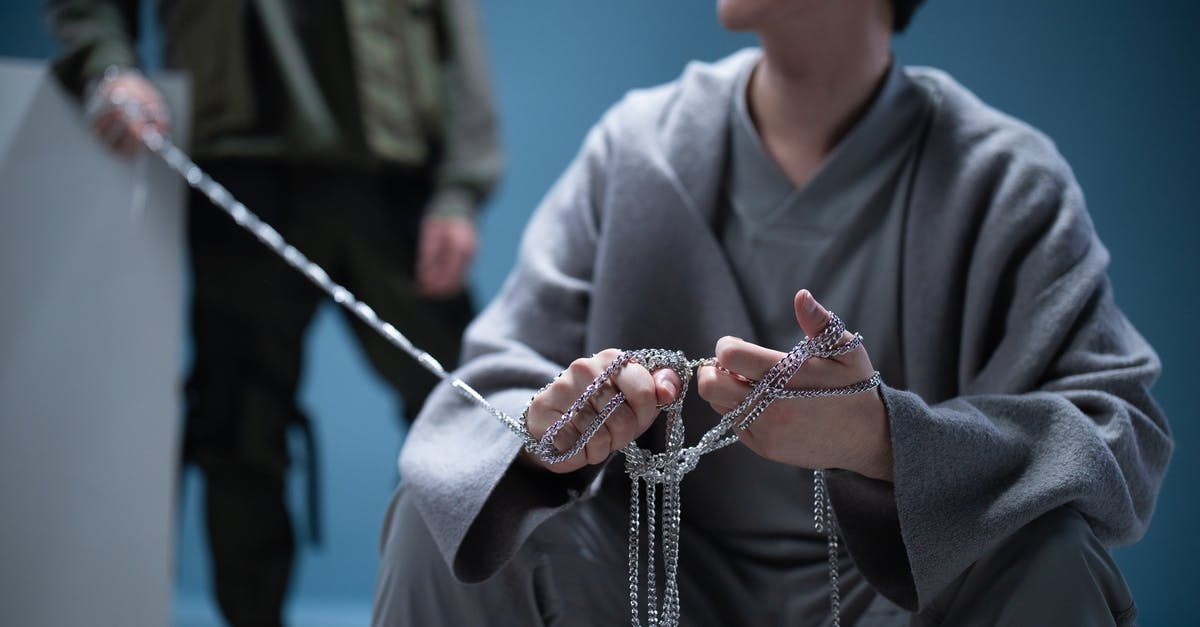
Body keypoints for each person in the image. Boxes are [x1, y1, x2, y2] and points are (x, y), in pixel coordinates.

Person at [373, 0, 1172, 625]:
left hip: (912, 603)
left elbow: (1117, 429)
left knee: (1051, 549)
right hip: (647, 593)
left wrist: (884, 439)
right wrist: (547, 435)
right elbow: (486, 390)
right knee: (443, 514)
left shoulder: (1005, 182)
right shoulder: (636, 151)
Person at [46, 1, 502, 625]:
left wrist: (461, 186)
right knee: (240, 428)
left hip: (392, 177)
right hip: (240, 166)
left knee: (471, 417)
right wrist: (108, 66)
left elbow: (457, 23)